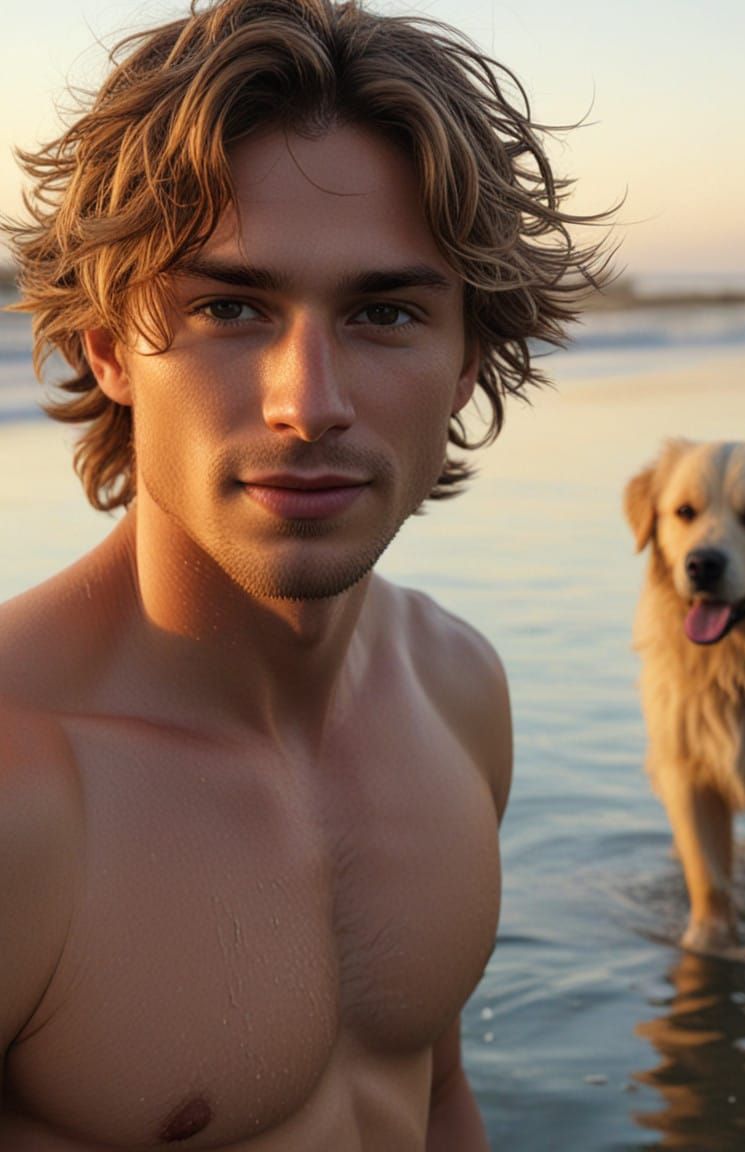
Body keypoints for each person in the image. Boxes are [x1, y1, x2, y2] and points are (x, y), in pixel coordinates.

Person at [0, 0, 613, 1146]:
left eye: (384, 312)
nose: (309, 403)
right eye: (230, 306)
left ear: (465, 359)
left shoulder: (457, 693)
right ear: (105, 346)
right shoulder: (22, 791)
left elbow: (434, 1103)